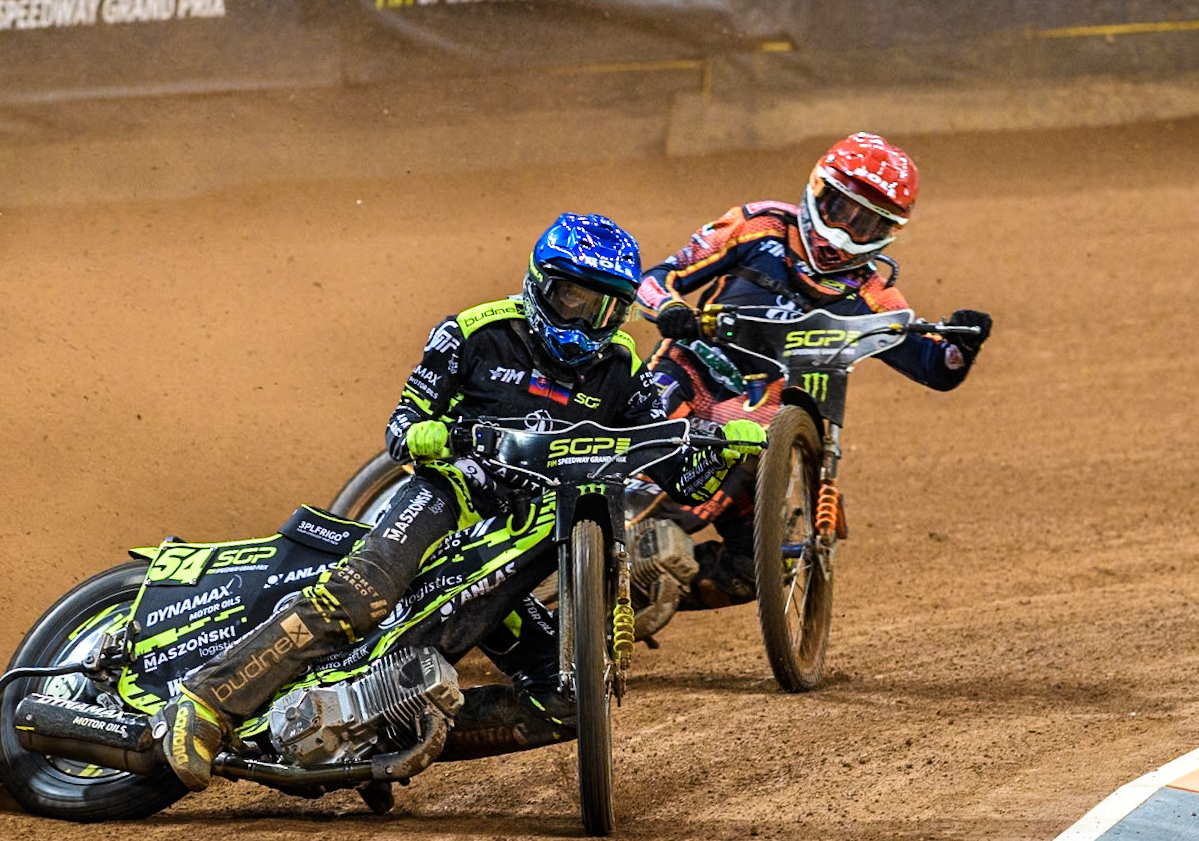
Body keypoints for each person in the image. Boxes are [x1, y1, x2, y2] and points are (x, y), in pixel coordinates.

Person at [156, 212, 767, 790]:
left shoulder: (621, 367)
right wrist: (431, 433)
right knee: (361, 596)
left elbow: (664, 463)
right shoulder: (473, 332)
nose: (585, 322)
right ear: (539, 284)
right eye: (572, 298)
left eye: (607, 307)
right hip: (450, 498)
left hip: (526, 540)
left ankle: (383, 729)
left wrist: (722, 445)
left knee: (570, 704)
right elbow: (401, 429)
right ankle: (206, 701)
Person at [631, 131, 993, 610]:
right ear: (816, 189)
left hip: (765, 417)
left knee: (756, 572)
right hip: (692, 372)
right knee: (632, 477)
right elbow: (659, 277)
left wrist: (962, 346)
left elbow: (933, 365)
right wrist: (671, 309)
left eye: (866, 223)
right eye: (841, 209)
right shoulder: (756, 226)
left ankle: (639, 590)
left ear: (887, 232)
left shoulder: (870, 294)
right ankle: (579, 547)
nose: (845, 230)